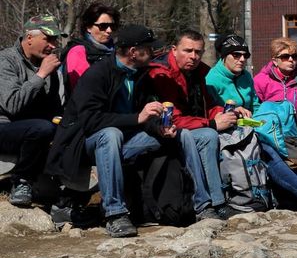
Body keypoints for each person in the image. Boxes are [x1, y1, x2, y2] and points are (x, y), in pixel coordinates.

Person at [46, 24, 169, 238]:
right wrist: (137, 117)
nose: (152, 53)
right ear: (133, 52)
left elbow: (144, 117)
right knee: (111, 134)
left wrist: (159, 127)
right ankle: (115, 213)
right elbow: (91, 121)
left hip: (119, 140)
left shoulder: (140, 74)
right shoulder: (98, 74)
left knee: (160, 140)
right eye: (148, 49)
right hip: (80, 144)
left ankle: (164, 206)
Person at [206, 34, 297, 211]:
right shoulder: (212, 79)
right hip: (231, 131)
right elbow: (211, 110)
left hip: (257, 127)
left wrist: (270, 125)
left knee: (284, 143)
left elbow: (256, 104)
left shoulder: (246, 76)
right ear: (224, 56)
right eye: (236, 55)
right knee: (268, 151)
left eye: (245, 55)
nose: (242, 59)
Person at [146, 29, 237, 220]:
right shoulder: (161, 73)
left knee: (234, 131)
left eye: (198, 52)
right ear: (174, 49)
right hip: (162, 131)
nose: (193, 57)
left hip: (191, 126)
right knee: (208, 135)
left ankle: (229, 199)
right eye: (188, 51)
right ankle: (211, 203)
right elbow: (174, 119)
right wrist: (211, 123)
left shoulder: (200, 71)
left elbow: (208, 105)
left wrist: (225, 114)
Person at [0, 15, 66, 207]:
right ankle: (21, 182)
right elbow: (12, 105)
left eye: (55, 40)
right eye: (48, 39)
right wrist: (41, 75)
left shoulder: (48, 66)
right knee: (41, 128)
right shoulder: (6, 61)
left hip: (34, 129)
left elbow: (54, 109)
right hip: (5, 127)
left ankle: (69, 196)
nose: (53, 45)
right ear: (29, 37)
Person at [63, 2, 120, 92]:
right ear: (88, 27)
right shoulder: (78, 52)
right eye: (103, 26)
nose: (109, 30)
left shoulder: (117, 51)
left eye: (112, 26)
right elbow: (82, 89)